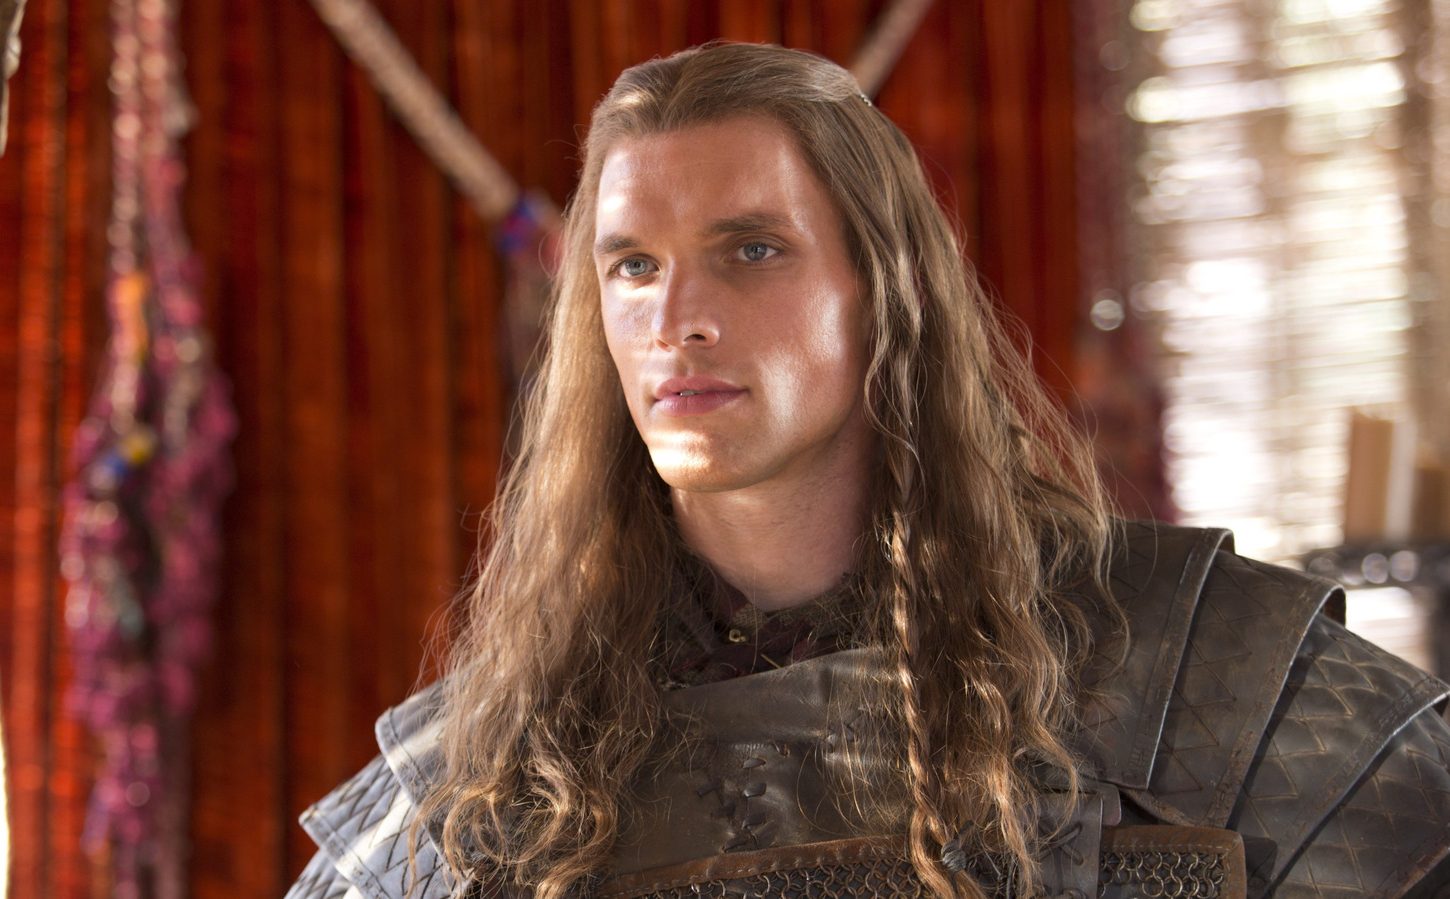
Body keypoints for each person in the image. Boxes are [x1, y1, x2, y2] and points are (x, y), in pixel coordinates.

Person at [285, 43, 1450, 899]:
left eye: (751, 249)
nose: (676, 317)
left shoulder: (1201, 676)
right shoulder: (483, 780)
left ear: (882, 291)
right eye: (632, 265)